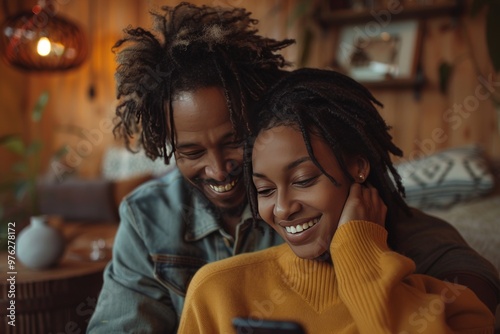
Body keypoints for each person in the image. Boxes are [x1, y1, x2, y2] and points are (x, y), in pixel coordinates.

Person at [88, 3, 499, 332]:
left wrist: (364, 254)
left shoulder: (345, 204)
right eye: (191, 151)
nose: (217, 169)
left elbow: (468, 286)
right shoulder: (147, 218)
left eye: (234, 141)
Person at [177, 68, 496, 333]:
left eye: (303, 180)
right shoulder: (217, 292)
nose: (283, 208)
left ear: (358, 167)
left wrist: (358, 250)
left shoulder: (447, 304)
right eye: (265, 190)